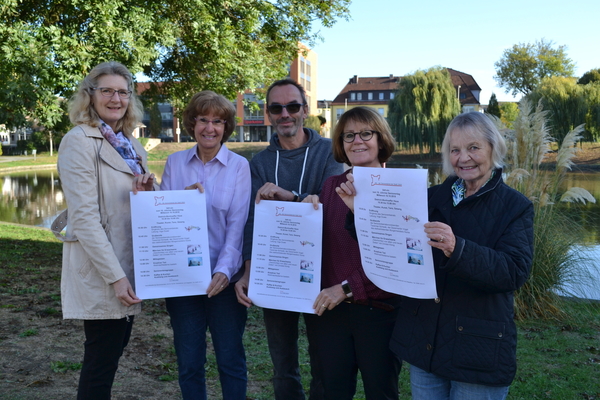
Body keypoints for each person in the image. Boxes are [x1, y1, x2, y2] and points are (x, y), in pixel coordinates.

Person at [388, 112, 534, 399]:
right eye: (455, 150)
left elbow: (514, 272)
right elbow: (391, 238)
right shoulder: (428, 197)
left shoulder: (515, 207)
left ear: (494, 148)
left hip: (478, 347)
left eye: (473, 148)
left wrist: (459, 248)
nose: (463, 158)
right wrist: (360, 208)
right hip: (425, 341)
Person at [234, 78, 343, 400]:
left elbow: (333, 205)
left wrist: (291, 197)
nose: (285, 114)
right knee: (282, 361)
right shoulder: (261, 162)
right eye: (276, 108)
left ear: (305, 110)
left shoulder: (328, 152)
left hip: (322, 272)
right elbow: (252, 219)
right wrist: (248, 270)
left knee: (322, 359)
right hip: (277, 272)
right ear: (268, 114)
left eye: (292, 106)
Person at [57, 61, 157, 400]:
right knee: (100, 362)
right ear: (90, 95)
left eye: (122, 92)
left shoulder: (130, 145)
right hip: (103, 270)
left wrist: (145, 193)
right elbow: (84, 218)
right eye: (107, 91)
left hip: (130, 263)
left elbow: (133, 206)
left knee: (111, 355)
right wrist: (116, 278)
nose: (116, 99)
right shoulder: (79, 141)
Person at [303, 107, 401, 400]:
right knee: (332, 391)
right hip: (332, 315)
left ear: (380, 139)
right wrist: (304, 213)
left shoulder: (397, 188)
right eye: (348, 135)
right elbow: (320, 246)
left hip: (379, 313)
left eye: (366, 133)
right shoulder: (331, 186)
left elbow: (393, 256)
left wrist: (345, 289)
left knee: (381, 392)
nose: (357, 141)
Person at [159, 91, 251, 400]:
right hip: (183, 282)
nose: (209, 128)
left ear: (226, 126)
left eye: (217, 121)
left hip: (224, 282)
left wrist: (224, 272)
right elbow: (162, 224)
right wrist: (178, 201)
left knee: (230, 360)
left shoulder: (239, 167)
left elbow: (237, 227)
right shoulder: (174, 163)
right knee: (189, 362)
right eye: (202, 120)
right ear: (191, 123)